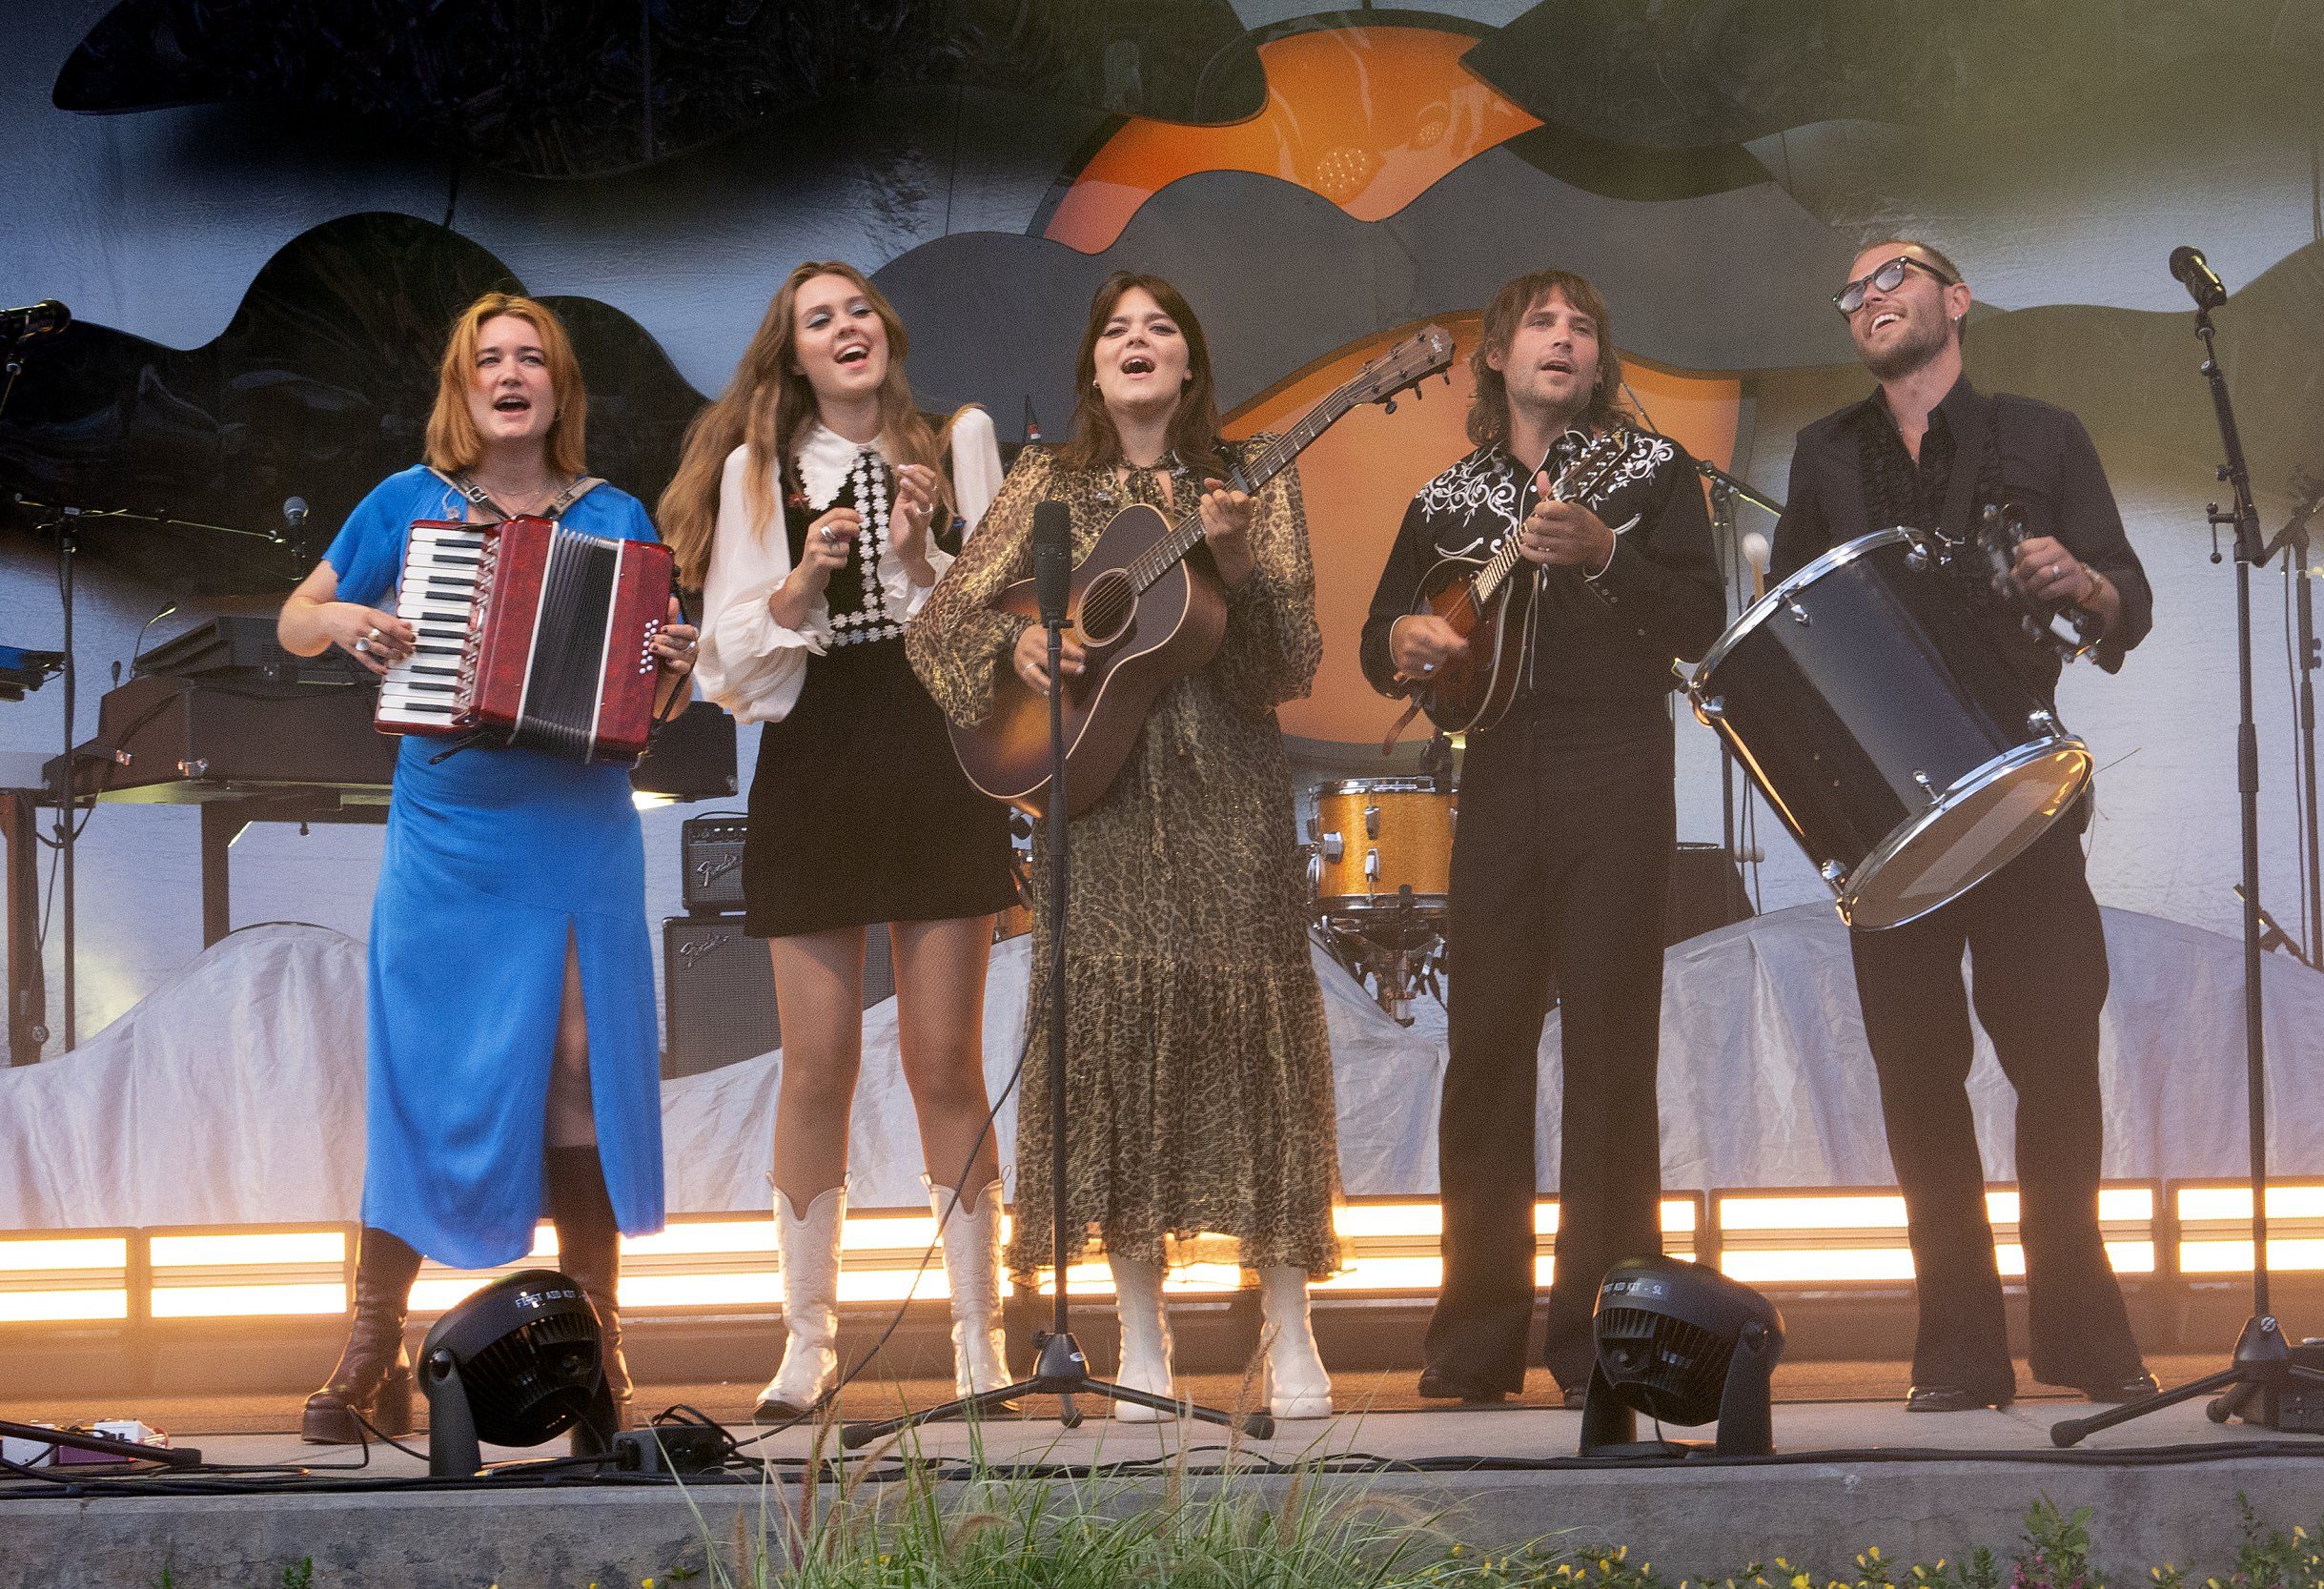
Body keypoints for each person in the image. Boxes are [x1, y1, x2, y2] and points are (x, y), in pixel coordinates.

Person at [907, 271, 1342, 1421]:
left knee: (1253, 1050)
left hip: (1227, 795)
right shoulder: (1048, 481)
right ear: (1094, 367)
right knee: (1107, 1045)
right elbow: (944, 621)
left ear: (1190, 364)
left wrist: (1238, 568)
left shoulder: (1246, 476)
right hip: (1096, 805)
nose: (1139, 342)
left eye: (1161, 328)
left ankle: (1287, 1321)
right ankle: (1136, 1333)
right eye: (1117, 329)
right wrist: (1023, 652)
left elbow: (1285, 662)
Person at [278, 292, 697, 1443]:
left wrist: (678, 658)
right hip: (451, 820)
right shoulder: (405, 504)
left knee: (574, 1063)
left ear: (559, 388)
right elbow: (294, 620)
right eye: (488, 358)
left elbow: (654, 692)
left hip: (575, 819)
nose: (511, 373)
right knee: (426, 1066)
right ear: (462, 387)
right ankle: (369, 1346)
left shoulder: (614, 513)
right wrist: (354, 619)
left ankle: (593, 1352)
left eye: (532, 359)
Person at [1770, 239, 2157, 1413]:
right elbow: (1787, 628)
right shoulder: (1823, 452)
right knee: (1916, 1078)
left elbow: (2124, 595)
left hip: (2024, 792)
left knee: (2055, 1065)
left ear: (1954, 299)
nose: (1870, 297)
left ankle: (2084, 1338)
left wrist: (2082, 584)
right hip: (1889, 822)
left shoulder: (2044, 434)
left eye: (1893, 277)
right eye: (1852, 291)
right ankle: (1956, 1350)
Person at [1358, 270, 1723, 1421]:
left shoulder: (1652, 475)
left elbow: (1703, 621)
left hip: (1617, 763)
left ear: (1599, 361)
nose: (1563, 338)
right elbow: (1382, 637)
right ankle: (1471, 1345)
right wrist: (1407, 638)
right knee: (1485, 1057)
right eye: (1541, 323)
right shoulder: (1448, 496)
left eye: (1583, 326)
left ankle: (1607, 1348)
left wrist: (1610, 552)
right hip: (1498, 775)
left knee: (1614, 1060)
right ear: (1498, 356)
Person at [660, 262, 1016, 1422]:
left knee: (944, 1063)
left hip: (933, 758)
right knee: (815, 1066)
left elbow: (994, 627)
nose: (845, 328)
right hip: (814, 762)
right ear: (794, 355)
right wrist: (804, 579)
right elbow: (729, 669)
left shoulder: (957, 439)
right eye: (819, 320)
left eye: (856, 309)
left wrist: (921, 558)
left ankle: (979, 1340)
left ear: (885, 331)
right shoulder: (755, 471)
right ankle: (806, 1342)